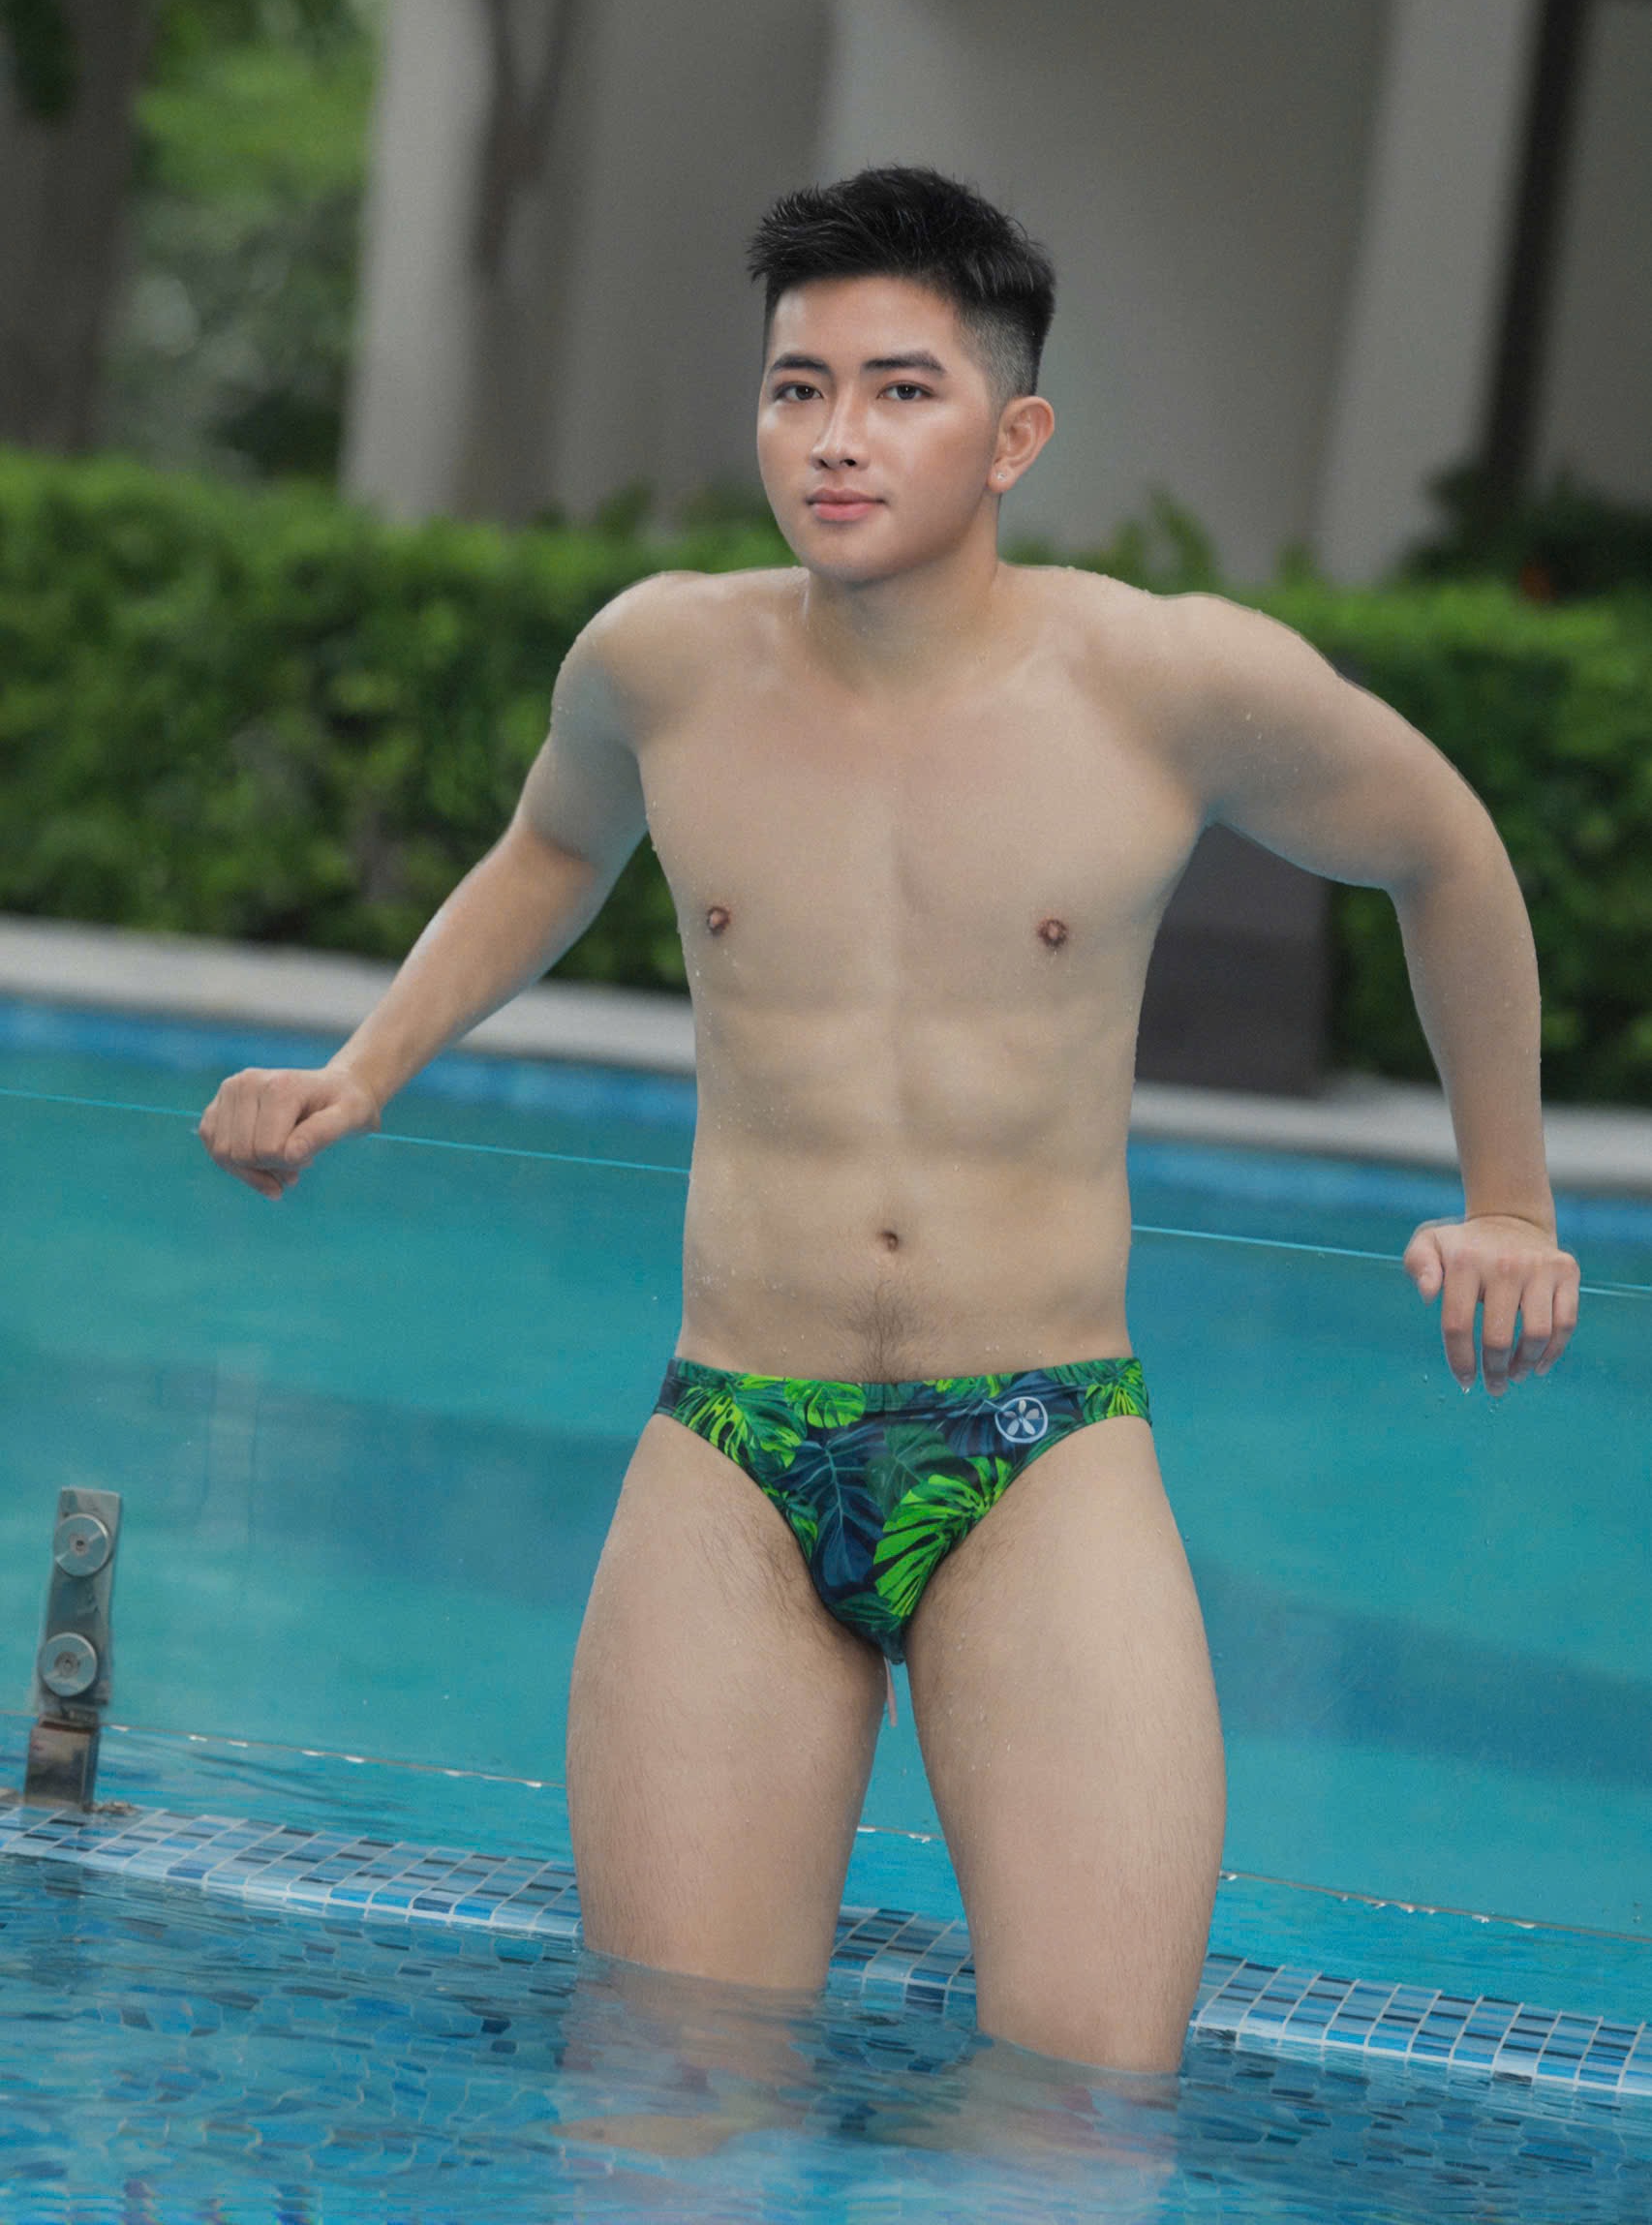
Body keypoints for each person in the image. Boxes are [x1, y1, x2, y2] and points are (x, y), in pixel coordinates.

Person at [199, 162, 1580, 2084]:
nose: (835, 436)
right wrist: (369, 1066)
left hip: (1037, 1444)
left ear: (1013, 436)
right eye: (798, 387)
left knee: (1078, 2115)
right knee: (669, 2095)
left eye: (899, 390)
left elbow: (1444, 850)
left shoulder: (1167, 681)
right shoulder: (659, 664)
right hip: (731, 1444)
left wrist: (1509, 1197)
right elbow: (549, 853)